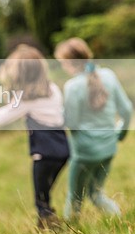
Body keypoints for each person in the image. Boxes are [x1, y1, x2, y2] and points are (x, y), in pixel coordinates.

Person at [0, 44, 69, 229]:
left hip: (44, 154)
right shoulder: (53, 89)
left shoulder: (26, 99)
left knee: (40, 200)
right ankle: (51, 228)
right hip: (63, 151)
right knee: (45, 195)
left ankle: (50, 231)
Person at [54, 37, 132, 220]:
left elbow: (72, 124)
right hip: (109, 148)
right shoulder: (109, 75)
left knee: (75, 198)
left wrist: (60, 114)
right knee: (96, 194)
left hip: (85, 153)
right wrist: (121, 133)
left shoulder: (72, 86)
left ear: (69, 62)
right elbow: (127, 110)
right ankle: (122, 223)